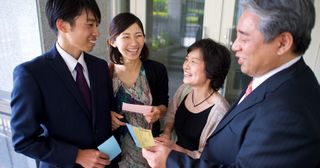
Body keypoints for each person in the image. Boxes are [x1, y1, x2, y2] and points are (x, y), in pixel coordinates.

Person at [142, 0, 320, 167]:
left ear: (282, 43)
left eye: (244, 37)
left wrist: (171, 161)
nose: (234, 46)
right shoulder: (271, 81)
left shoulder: (289, 113)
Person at [10, 0, 116, 167]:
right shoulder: (32, 74)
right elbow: (23, 141)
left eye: (97, 24)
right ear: (63, 25)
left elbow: (105, 115)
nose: (97, 32)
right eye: (89, 25)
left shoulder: (100, 67)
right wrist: (77, 156)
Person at [106, 12, 169, 167]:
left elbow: (163, 104)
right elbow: (95, 109)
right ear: (113, 41)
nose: (134, 43)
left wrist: (158, 112)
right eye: (126, 36)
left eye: (138, 35)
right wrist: (107, 116)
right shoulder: (104, 73)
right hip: (114, 148)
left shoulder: (157, 70)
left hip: (147, 148)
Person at [157, 38, 230, 159]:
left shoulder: (219, 112)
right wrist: (166, 133)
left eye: (193, 62)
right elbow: (171, 115)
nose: (185, 66)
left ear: (212, 69)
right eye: (186, 60)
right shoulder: (184, 90)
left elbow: (209, 157)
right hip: (175, 161)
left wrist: (176, 148)